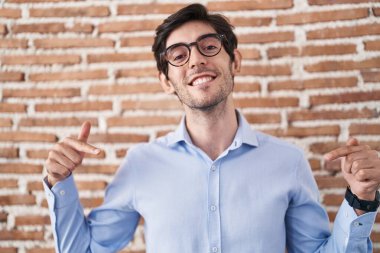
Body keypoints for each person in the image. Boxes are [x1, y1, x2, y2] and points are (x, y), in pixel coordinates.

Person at [43, 3, 380, 253]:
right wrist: (60, 183)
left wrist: (360, 199)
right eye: (178, 55)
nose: (195, 60)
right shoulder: (140, 164)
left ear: (235, 61)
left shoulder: (288, 162)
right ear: (166, 82)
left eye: (208, 46)